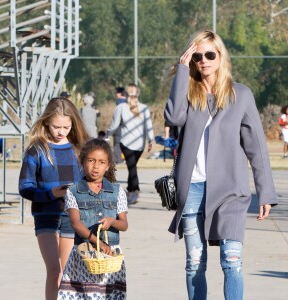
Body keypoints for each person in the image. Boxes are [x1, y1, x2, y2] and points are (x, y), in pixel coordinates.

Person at [164, 30, 278, 300]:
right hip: (191, 189)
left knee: (232, 261)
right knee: (195, 263)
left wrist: (266, 193)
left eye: (210, 54)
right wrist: (182, 70)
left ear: (220, 56)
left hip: (231, 191)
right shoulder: (190, 96)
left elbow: (257, 148)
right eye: (197, 56)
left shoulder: (241, 95)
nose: (204, 60)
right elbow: (173, 117)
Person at [18, 97, 89, 300]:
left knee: (66, 272)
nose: (61, 132)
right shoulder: (37, 150)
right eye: (56, 126)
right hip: (45, 216)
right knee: (54, 270)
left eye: (66, 127)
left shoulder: (78, 149)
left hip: (71, 218)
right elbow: (25, 187)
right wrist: (51, 194)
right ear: (47, 121)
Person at [58, 138, 128, 299]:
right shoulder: (73, 191)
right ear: (82, 162)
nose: (96, 166)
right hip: (84, 255)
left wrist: (112, 222)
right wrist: (99, 243)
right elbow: (76, 224)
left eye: (102, 162)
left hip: (110, 257)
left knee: (107, 295)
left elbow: (124, 224)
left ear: (108, 165)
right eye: (91, 160)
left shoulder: (118, 191)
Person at [107, 83, 154, 204]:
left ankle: (135, 191)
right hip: (140, 144)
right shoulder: (144, 108)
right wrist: (150, 140)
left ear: (125, 94)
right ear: (138, 94)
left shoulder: (121, 107)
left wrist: (107, 134)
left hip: (126, 142)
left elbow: (114, 125)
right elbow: (148, 126)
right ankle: (130, 190)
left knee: (131, 167)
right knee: (131, 166)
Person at [113, 86, 127, 164]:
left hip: (120, 125)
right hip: (128, 125)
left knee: (117, 143)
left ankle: (119, 159)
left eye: (116, 93)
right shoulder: (128, 101)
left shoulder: (119, 101)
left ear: (119, 93)